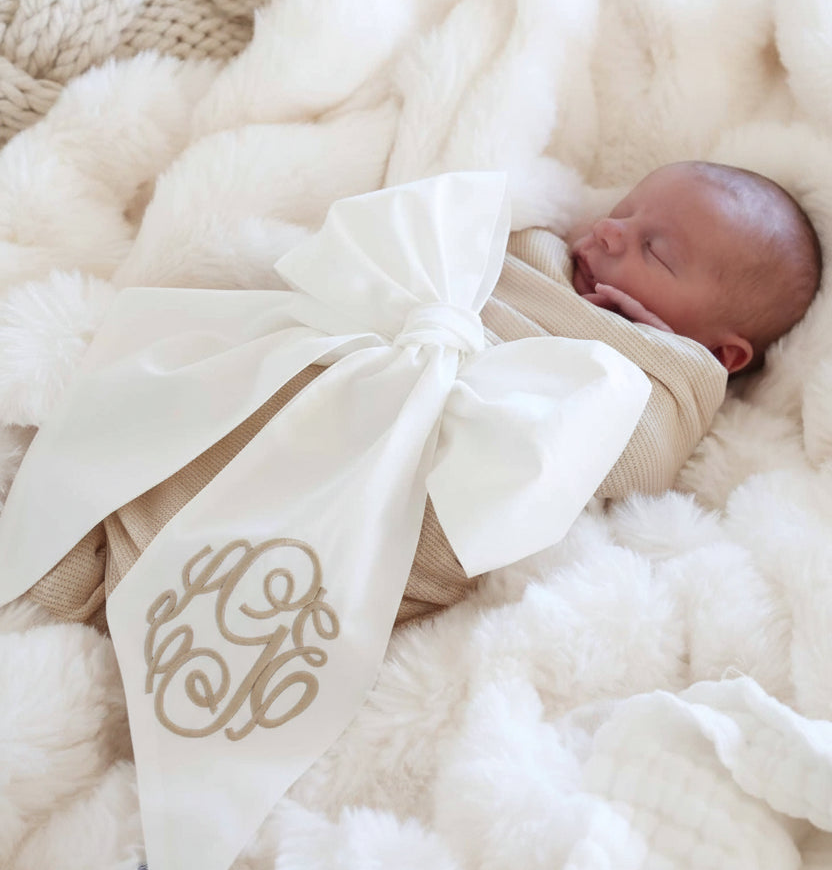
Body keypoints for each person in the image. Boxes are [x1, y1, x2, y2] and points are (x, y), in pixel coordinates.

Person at [18, 160, 823, 629]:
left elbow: (618, 462)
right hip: (358, 384)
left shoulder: (663, 385)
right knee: (206, 442)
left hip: (412, 490)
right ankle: (78, 543)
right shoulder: (538, 257)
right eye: (624, 212)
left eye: (656, 250)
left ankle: (129, 599)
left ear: (723, 352)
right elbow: (441, 260)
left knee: (275, 575)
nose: (610, 233)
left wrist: (632, 351)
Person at [567, 160, 822, 375]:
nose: (605, 229)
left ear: (718, 355)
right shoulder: (552, 247)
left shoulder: (674, 403)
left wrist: (656, 355)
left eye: (654, 251)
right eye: (621, 214)